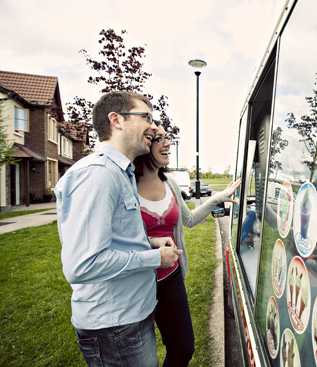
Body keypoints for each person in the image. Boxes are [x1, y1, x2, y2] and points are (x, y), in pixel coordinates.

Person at [55, 91, 182, 367]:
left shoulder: (119, 172)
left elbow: (113, 240)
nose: (153, 126)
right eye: (146, 117)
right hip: (115, 329)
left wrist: (149, 243)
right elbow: (83, 265)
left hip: (128, 320)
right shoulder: (99, 175)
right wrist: (155, 258)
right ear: (116, 120)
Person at [133, 125, 241, 367]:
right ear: (143, 143)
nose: (167, 143)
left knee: (183, 348)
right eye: (158, 138)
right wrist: (150, 245)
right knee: (142, 356)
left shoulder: (170, 181)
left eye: (166, 138)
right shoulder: (126, 183)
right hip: (137, 282)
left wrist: (219, 197)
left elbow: (189, 220)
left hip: (170, 279)